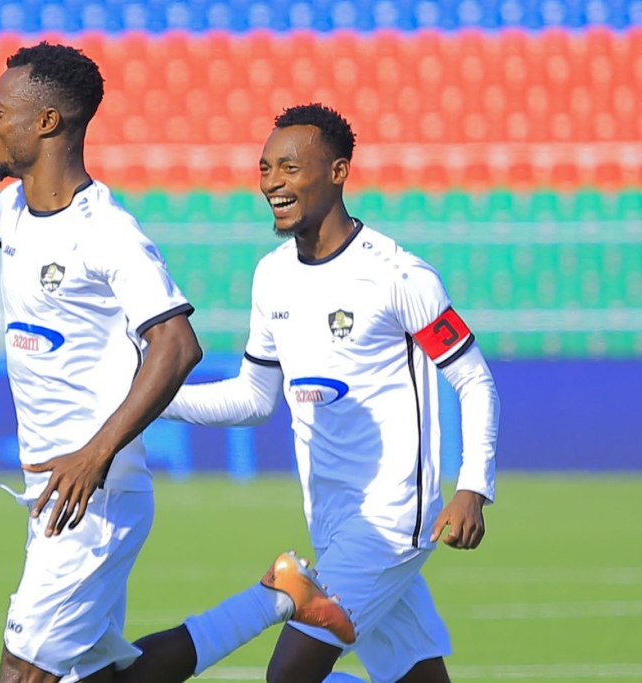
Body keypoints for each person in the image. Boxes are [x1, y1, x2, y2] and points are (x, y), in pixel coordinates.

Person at [0, 29, 354, 683]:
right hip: (57, 496)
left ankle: (282, 599)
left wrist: (94, 454)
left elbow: (177, 344)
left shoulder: (107, 232)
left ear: (47, 122)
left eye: (1, 110)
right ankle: (280, 595)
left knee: (23, 674)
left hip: (92, 499)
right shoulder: (18, 211)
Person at [162, 103, 501, 683]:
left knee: (289, 676)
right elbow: (253, 398)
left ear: (338, 171)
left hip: (390, 522)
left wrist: (473, 487)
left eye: (290, 167)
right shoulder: (272, 274)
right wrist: (153, 402)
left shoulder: (397, 275)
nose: (272, 182)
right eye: (266, 168)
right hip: (332, 523)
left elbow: (474, 379)